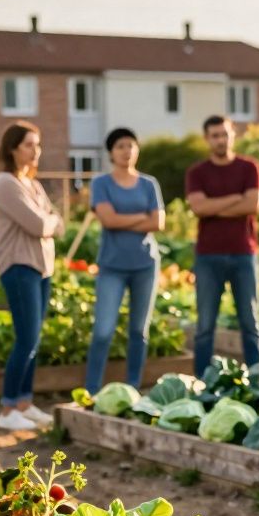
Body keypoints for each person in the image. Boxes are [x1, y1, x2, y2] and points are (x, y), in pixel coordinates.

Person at [0, 120, 65, 431]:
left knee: (34, 339)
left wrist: (49, 222)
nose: (37, 151)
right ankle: (7, 410)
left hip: (41, 268)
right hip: (19, 268)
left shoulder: (32, 184)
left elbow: (58, 222)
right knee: (26, 338)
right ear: (12, 149)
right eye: (29, 145)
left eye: (38, 144)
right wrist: (49, 222)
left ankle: (24, 402)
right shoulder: (5, 183)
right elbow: (40, 225)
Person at [83, 128, 165, 393]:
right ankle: (92, 389)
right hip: (112, 267)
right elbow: (108, 220)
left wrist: (125, 220)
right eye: (120, 146)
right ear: (111, 153)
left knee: (139, 331)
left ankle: (132, 387)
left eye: (131, 145)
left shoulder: (148, 184)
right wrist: (142, 218)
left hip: (145, 265)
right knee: (104, 330)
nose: (126, 151)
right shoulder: (101, 183)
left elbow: (159, 222)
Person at [185, 115, 259, 375]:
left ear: (233, 135)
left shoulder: (249, 168)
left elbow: (253, 205)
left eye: (224, 134)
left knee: (250, 322)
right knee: (205, 325)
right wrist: (235, 198)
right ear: (207, 139)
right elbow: (199, 207)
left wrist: (214, 206)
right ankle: (202, 382)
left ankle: (256, 379)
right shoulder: (197, 173)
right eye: (215, 135)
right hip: (208, 256)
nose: (221, 139)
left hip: (244, 254)